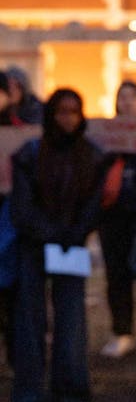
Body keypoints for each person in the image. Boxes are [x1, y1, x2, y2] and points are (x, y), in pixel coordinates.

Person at [10, 88, 106, 402]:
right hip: (35, 245)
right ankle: (30, 388)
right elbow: (22, 207)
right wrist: (50, 232)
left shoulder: (90, 154)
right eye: (61, 111)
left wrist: (75, 232)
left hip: (71, 244)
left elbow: (94, 201)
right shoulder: (31, 152)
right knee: (30, 318)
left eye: (73, 112)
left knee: (72, 318)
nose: (67, 118)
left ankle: (71, 385)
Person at [99, 81, 136, 360]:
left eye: (133, 96)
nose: (127, 102)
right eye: (122, 97)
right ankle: (122, 331)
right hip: (113, 215)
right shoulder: (106, 138)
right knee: (117, 274)